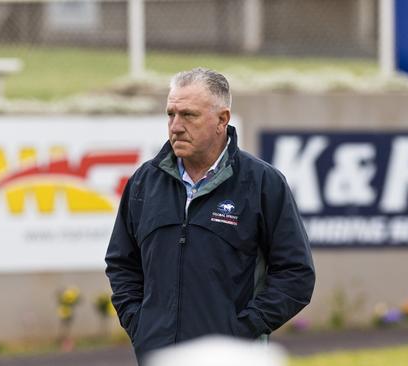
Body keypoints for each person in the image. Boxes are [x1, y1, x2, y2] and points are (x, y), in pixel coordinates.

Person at [105, 67, 315, 364]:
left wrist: (241, 331)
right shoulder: (143, 182)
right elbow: (121, 264)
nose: (176, 126)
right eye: (170, 114)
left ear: (222, 120)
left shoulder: (262, 183)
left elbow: (296, 274)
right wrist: (142, 327)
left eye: (188, 115)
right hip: (159, 356)